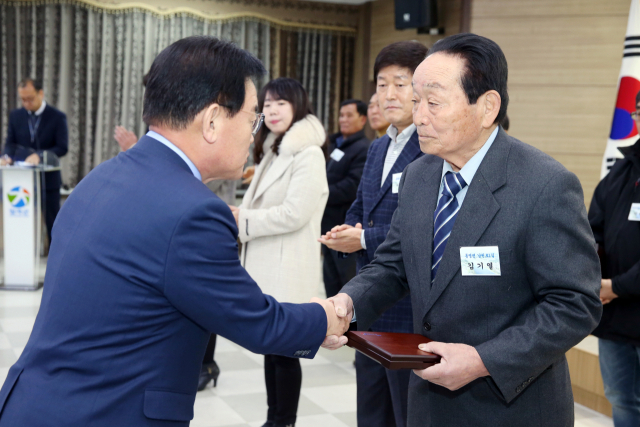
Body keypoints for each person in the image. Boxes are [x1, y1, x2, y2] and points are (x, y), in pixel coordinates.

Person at [0, 36, 348, 427]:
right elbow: (256, 322)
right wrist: (325, 315)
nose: (254, 132)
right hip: (105, 413)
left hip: (37, 402)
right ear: (213, 120)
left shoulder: (101, 177)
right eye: (253, 118)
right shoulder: (194, 211)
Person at [323, 33, 602, 427]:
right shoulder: (419, 175)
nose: (418, 116)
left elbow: (575, 304)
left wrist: (483, 360)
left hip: (510, 406)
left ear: (487, 107)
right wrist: (346, 305)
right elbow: (392, 265)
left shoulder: (544, 185)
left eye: (433, 103)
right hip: (428, 402)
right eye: (416, 102)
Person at [319, 40, 428, 427]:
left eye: (401, 83)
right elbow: (359, 208)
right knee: (370, 406)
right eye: (382, 84)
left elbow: (424, 229)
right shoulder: (380, 148)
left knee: (405, 409)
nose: (389, 94)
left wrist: (363, 239)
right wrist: (345, 229)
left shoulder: (432, 149)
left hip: (407, 304)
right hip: (368, 301)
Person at [234, 77, 328, 427]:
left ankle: (283, 421)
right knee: (272, 351)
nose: (271, 110)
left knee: (286, 353)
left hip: (287, 265)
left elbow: (294, 214)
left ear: (299, 106)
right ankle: (274, 419)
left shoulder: (308, 154)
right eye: (267, 104)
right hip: (268, 264)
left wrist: (243, 218)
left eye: (280, 103)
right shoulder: (275, 147)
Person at [588, 90, 640, 427]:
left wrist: (615, 286)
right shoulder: (623, 169)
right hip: (616, 317)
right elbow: (591, 233)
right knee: (622, 400)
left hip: (618, 294)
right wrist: (593, 280)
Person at [1, 77, 68, 244]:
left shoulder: (57, 116)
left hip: (48, 180)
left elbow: (62, 147)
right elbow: (10, 142)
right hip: (21, 180)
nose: (26, 103)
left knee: (53, 222)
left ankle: (54, 256)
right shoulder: (16, 115)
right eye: (22, 99)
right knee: (20, 218)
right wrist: (6, 156)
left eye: (30, 98)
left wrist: (41, 155)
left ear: (40, 93)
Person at [322, 99, 370, 299]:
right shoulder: (333, 144)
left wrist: (320, 193)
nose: (343, 119)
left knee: (346, 287)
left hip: (346, 227)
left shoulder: (364, 148)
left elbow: (352, 187)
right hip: (328, 226)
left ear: (362, 119)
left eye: (349, 115)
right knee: (330, 282)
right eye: (341, 115)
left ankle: (349, 330)